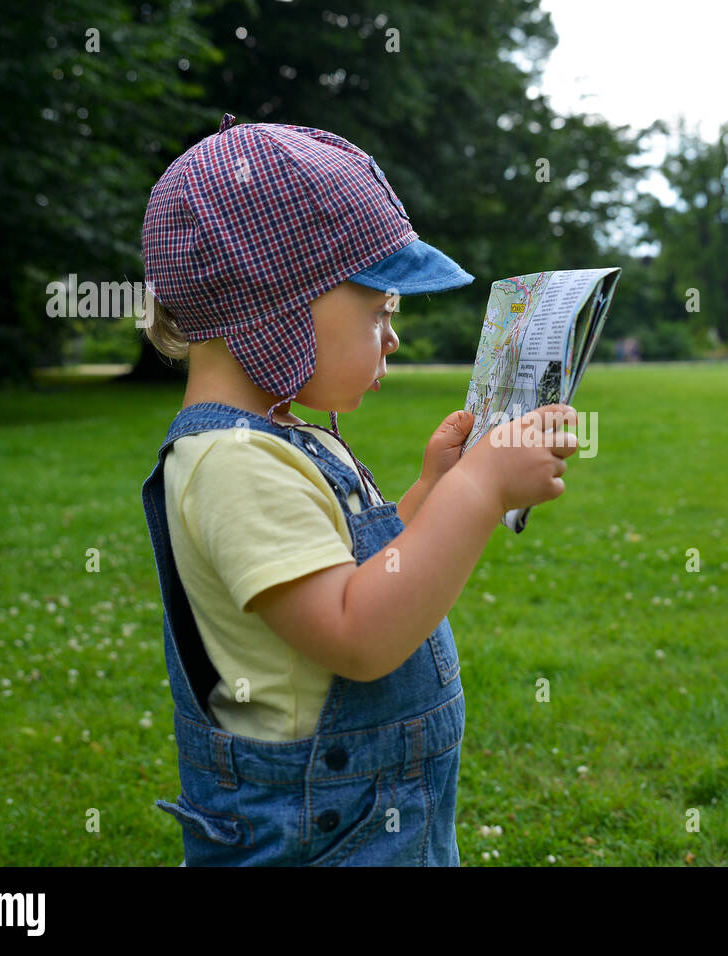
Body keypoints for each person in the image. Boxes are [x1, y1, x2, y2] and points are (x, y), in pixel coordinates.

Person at [138, 113, 579, 866]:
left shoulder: (275, 439)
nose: (393, 337)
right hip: (320, 833)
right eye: (378, 311)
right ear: (277, 310)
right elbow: (357, 634)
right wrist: (475, 492)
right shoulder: (232, 464)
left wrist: (429, 495)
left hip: (368, 817)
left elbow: (352, 578)